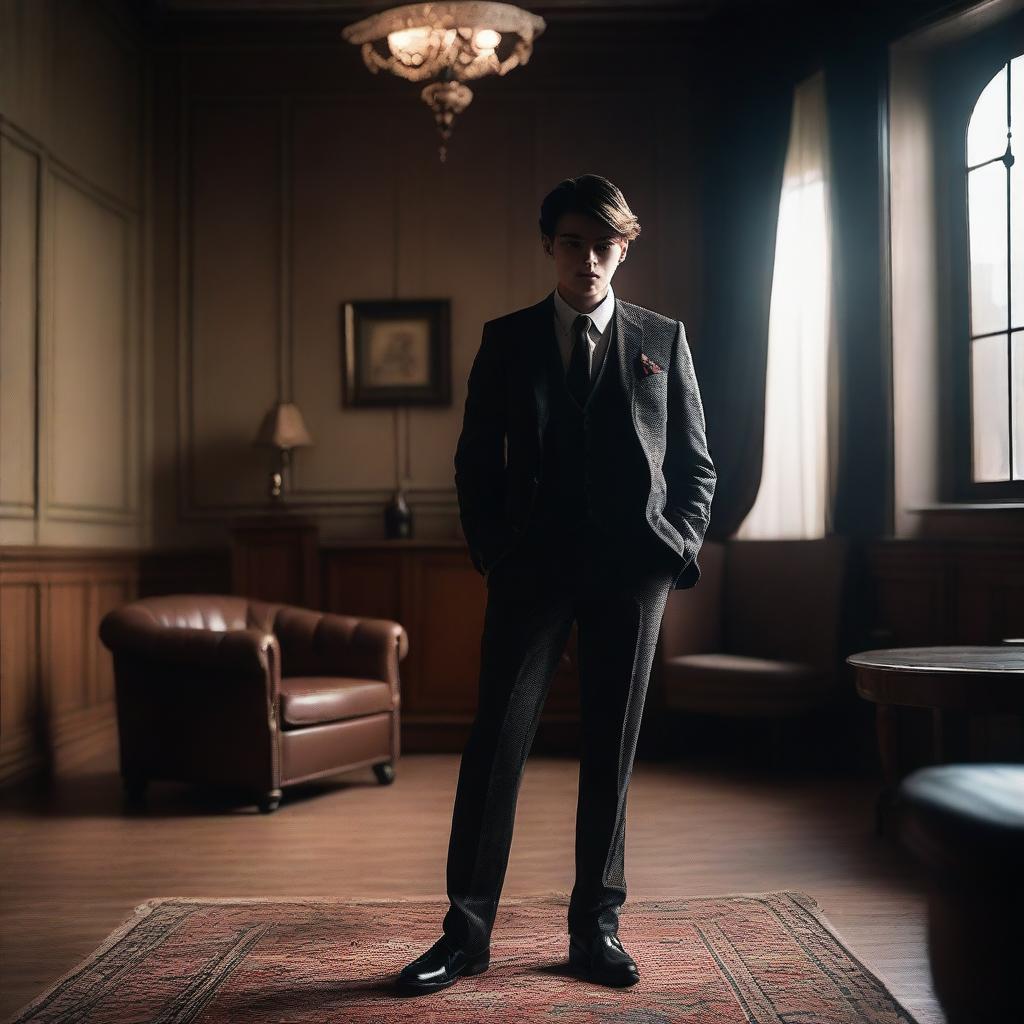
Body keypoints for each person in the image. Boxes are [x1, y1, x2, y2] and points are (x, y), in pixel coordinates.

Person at [396, 173, 716, 994]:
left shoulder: (663, 339)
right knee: (494, 746)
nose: (588, 259)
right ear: (551, 245)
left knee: (611, 751)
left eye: (604, 244)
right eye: (572, 242)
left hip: (631, 572)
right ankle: (464, 936)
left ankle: (595, 930)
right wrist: (494, 554)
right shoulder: (506, 341)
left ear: (623, 247)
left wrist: (674, 548)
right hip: (531, 571)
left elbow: (695, 466)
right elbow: (474, 464)